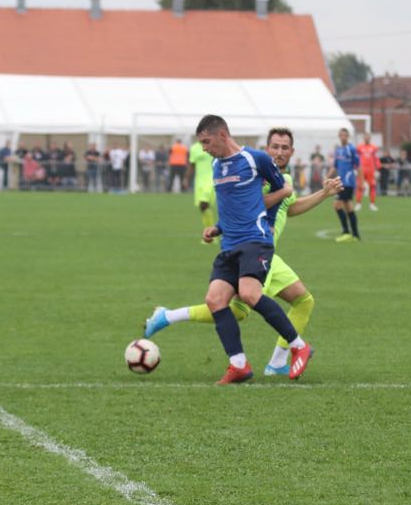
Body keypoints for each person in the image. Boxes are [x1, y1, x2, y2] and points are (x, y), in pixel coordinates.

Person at [144, 128, 341, 376]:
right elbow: (248, 205)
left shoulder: (285, 179)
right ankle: (168, 316)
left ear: (292, 152)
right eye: (275, 147)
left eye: (284, 148)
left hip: (267, 253)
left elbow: (289, 207)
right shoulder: (259, 174)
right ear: (266, 149)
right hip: (254, 247)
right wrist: (221, 226)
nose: (279, 152)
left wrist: (323, 194)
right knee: (237, 308)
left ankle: (276, 363)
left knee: (303, 301)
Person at [172, 115, 309, 384]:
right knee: (215, 300)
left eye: (206, 142)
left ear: (223, 135)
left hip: (255, 240)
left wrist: (269, 219)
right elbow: (232, 205)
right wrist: (217, 227)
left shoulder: (255, 159)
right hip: (229, 244)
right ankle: (238, 365)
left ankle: (298, 346)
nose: (204, 148)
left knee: (249, 294)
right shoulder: (216, 165)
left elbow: (282, 192)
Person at [328, 128, 361, 242]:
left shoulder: (351, 149)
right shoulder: (338, 150)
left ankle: (346, 232)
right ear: (339, 136)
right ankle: (355, 235)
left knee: (337, 205)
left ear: (348, 136)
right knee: (348, 207)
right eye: (341, 135)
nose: (343, 137)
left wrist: (361, 182)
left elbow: (358, 166)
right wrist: (327, 177)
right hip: (341, 182)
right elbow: (335, 166)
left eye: (345, 135)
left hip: (348, 182)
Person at [187, 138, 216, 236]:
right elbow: (192, 164)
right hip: (199, 181)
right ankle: (209, 231)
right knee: (202, 207)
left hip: (211, 178)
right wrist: (186, 178)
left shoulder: (213, 144)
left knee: (204, 203)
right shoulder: (194, 148)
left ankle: (211, 231)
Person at [355, 134, 380, 211]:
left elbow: (376, 158)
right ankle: (358, 204)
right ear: (363, 138)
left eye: (368, 137)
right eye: (365, 137)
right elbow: (356, 158)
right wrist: (355, 168)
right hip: (361, 170)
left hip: (371, 170)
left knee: (372, 186)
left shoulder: (374, 148)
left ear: (370, 138)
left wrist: (377, 169)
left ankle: (372, 204)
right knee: (360, 186)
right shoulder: (359, 147)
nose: (366, 139)